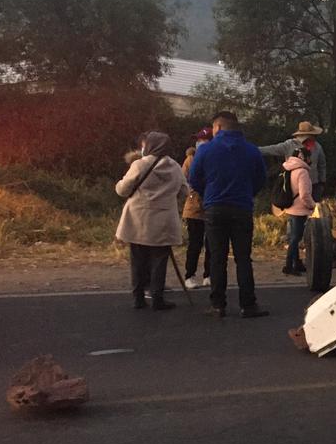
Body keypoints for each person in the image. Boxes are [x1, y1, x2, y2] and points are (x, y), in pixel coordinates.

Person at [188, 111, 269, 319]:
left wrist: (208, 194)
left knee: (217, 257)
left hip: (215, 208)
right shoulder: (251, 151)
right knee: (243, 258)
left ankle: (218, 305)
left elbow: (194, 178)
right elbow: (261, 178)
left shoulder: (206, 150)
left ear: (218, 127)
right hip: (242, 207)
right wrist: (248, 193)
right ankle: (248, 304)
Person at [115, 131, 189, 311]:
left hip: (138, 219)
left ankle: (138, 298)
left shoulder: (139, 165)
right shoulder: (175, 167)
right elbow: (184, 191)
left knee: (138, 260)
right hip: (163, 220)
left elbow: (123, 190)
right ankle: (158, 298)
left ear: (148, 146)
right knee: (159, 260)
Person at [259, 120, 327, 201]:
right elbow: (271, 149)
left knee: (314, 210)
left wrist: (322, 182)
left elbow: (322, 165)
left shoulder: (317, 147)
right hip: (293, 186)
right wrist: (252, 150)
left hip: (313, 185)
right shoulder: (289, 145)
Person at [181, 127, 212, 289]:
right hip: (193, 207)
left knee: (212, 244)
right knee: (195, 243)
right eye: (198, 140)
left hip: (211, 206)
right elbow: (183, 180)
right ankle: (189, 275)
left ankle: (208, 274)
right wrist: (192, 190)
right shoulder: (190, 159)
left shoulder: (215, 158)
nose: (199, 143)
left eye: (203, 140)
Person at [280, 146, 315, 276]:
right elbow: (304, 194)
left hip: (289, 208)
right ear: (303, 157)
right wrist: (312, 206)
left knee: (293, 237)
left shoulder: (289, 169)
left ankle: (297, 262)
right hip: (299, 210)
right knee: (296, 238)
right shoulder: (302, 172)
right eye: (309, 156)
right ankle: (289, 265)